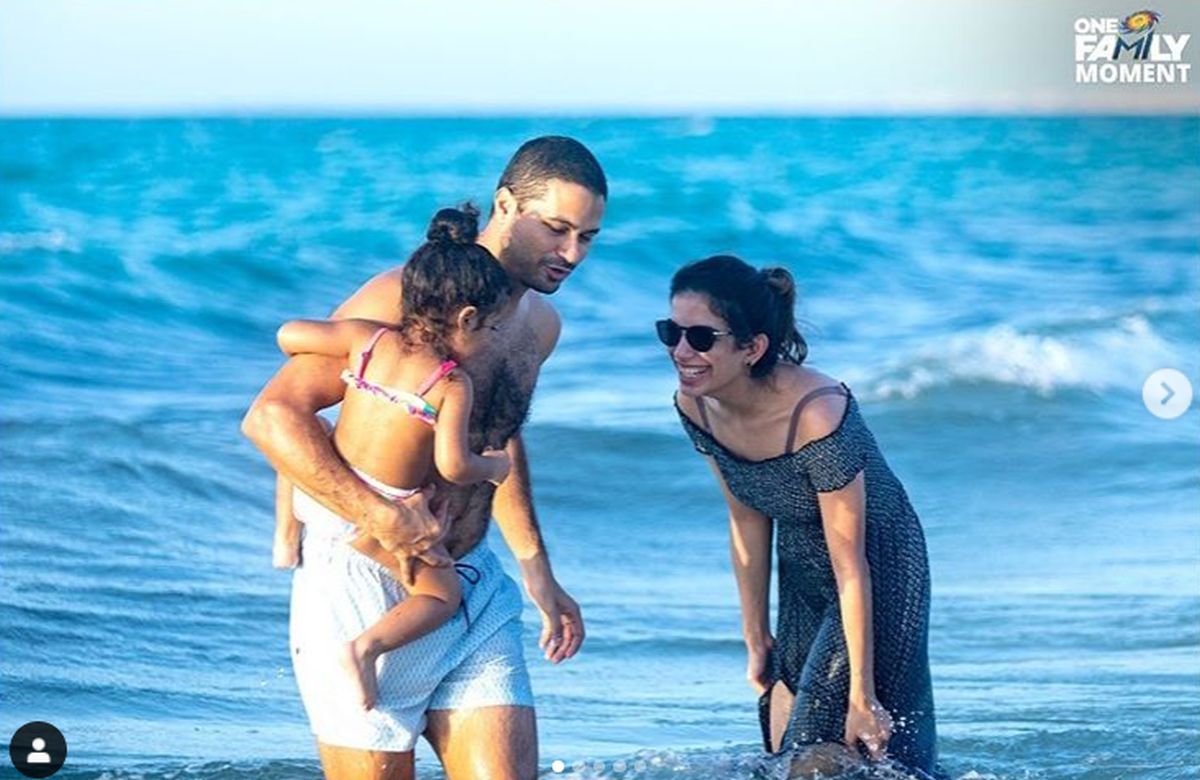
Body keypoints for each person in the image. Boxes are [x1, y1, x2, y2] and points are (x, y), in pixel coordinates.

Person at [242, 136, 606, 780]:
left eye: (587, 237)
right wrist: (378, 515)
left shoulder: (540, 327)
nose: (572, 254)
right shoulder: (401, 301)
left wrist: (536, 569)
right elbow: (274, 415)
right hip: (363, 586)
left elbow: (496, 440)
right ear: (505, 205)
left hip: (467, 585)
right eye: (556, 229)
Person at [664, 256, 946, 779]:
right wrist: (755, 636)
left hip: (877, 562)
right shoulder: (696, 405)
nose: (682, 352)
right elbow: (746, 518)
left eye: (701, 338)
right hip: (801, 560)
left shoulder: (816, 412)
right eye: (671, 332)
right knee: (781, 739)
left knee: (823, 743)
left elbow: (852, 562)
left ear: (752, 348)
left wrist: (861, 693)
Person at [273, 205, 514, 712]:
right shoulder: (450, 383)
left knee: (314, 426)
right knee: (442, 597)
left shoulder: (366, 338)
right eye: (492, 329)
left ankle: (283, 537)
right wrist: (494, 467)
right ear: (467, 319)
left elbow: (289, 334)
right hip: (385, 513)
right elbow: (454, 467)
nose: (492, 339)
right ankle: (366, 650)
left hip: (324, 499)